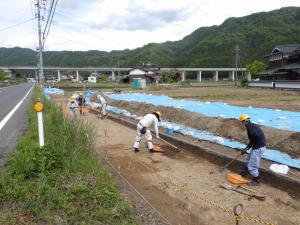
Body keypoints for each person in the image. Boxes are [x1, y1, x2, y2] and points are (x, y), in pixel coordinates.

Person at [239, 114, 266, 186]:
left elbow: (254, 136)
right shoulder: (252, 125)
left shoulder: (250, 128)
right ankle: (245, 173)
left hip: (259, 148)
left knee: (252, 166)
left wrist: (247, 147)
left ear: (243, 121)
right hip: (256, 147)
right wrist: (247, 148)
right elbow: (253, 138)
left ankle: (256, 181)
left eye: (242, 122)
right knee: (247, 161)